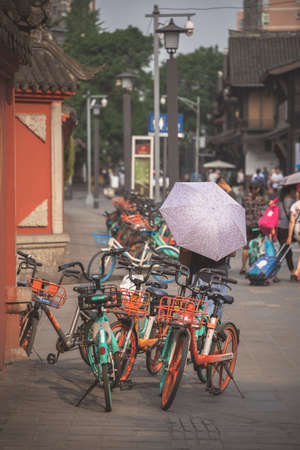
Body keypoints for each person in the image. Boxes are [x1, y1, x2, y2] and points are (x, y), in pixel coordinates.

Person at [179, 248, 228, 318]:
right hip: (215, 277)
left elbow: (183, 261)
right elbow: (232, 253)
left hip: (201, 277)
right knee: (207, 317)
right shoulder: (223, 238)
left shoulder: (193, 238)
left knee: (202, 316)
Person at [240, 180, 267, 274]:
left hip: (247, 225)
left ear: (249, 189)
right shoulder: (262, 200)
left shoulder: (244, 199)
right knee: (260, 246)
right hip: (258, 226)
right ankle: (258, 267)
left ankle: (243, 267)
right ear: (258, 189)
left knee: (246, 247)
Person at [277, 185, 297, 279]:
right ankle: (292, 272)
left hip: (279, 227)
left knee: (284, 250)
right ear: (291, 191)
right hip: (287, 228)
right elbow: (292, 215)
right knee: (285, 251)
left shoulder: (280, 200)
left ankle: (292, 271)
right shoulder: (290, 201)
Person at [286, 186, 300, 281]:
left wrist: (290, 237)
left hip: (297, 231)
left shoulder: (295, 205)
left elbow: (292, 222)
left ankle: (297, 271)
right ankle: (297, 272)